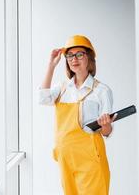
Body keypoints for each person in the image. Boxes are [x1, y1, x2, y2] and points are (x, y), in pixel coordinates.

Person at [39, 35, 117, 195]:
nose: (74, 59)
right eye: (70, 55)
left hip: (90, 159)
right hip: (66, 159)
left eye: (79, 54)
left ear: (89, 58)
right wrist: (51, 66)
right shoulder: (62, 88)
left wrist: (106, 125)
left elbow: (106, 132)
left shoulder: (101, 91)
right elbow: (42, 98)